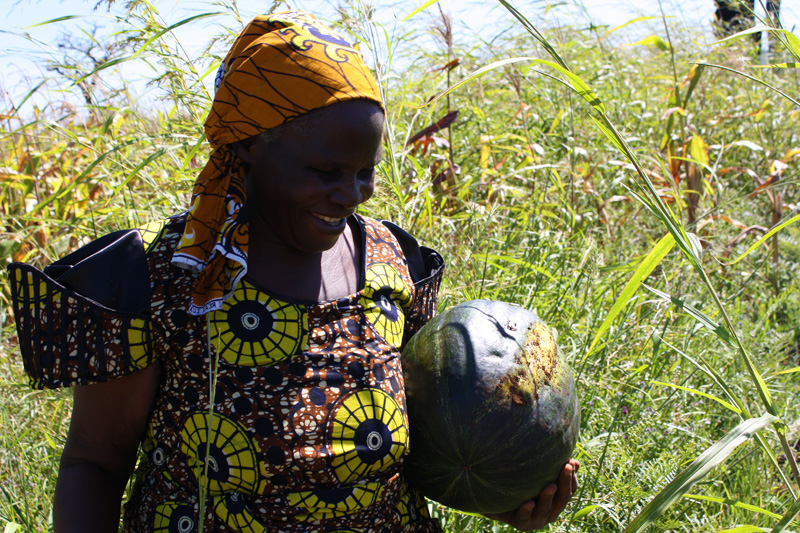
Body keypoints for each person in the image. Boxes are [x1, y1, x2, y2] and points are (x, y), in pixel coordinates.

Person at [8, 11, 578, 532]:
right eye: (326, 169)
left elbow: (429, 443)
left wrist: (498, 492)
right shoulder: (170, 277)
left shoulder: (392, 262)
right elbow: (95, 461)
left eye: (364, 172)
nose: (350, 193)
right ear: (250, 144)